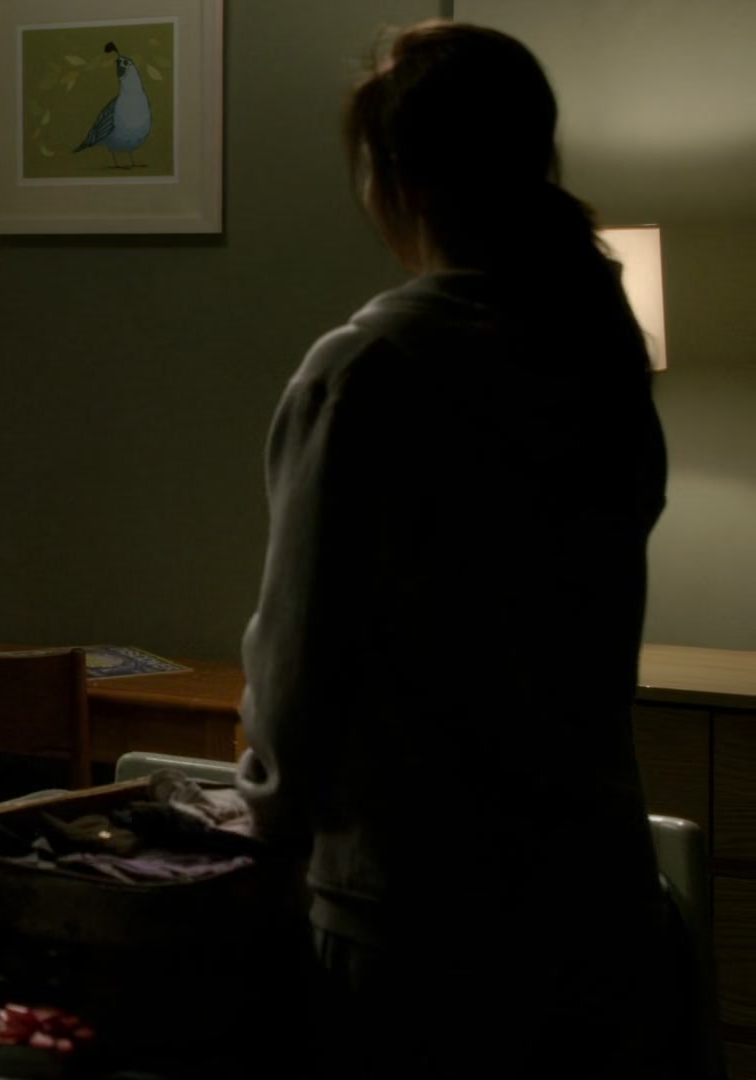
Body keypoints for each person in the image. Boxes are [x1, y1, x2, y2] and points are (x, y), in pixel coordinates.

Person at [233, 21, 681, 1079]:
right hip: (597, 900)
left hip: (418, 921)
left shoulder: (370, 370)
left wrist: (263, 824)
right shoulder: (602, 355)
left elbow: (300, 662)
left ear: (400, 181)